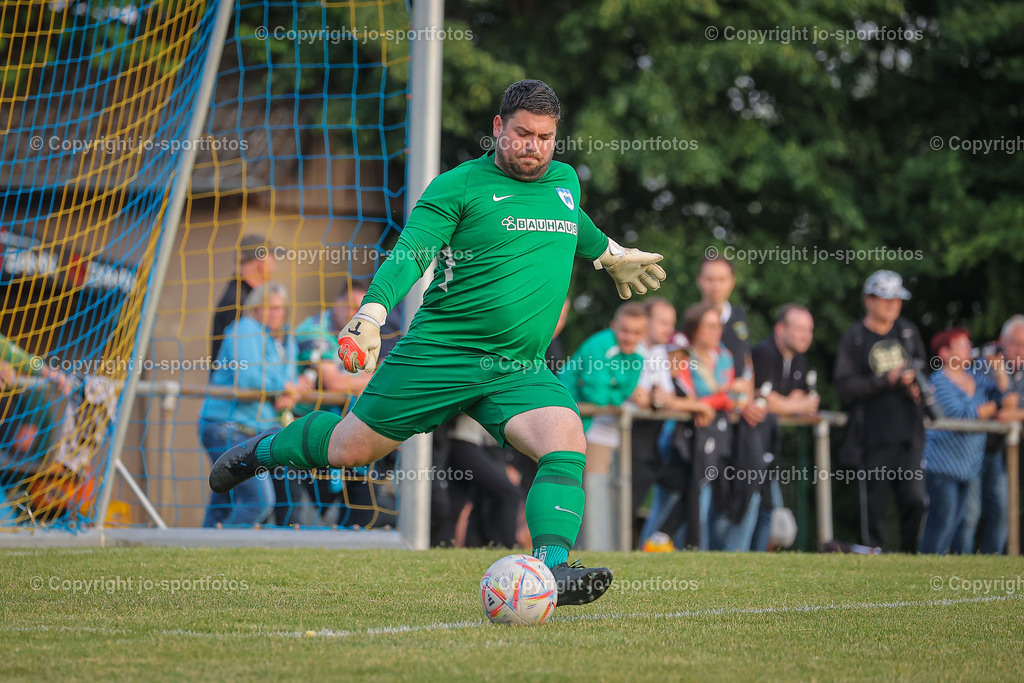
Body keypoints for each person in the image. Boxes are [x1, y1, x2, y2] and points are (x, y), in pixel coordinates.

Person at [209, 79, 667, 606]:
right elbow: (410, 254)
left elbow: (569, 220)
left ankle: (552, 572)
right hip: (440, 355)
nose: (533, 147)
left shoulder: (564, 183)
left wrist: (608, 253)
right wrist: (371, 314)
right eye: (522, 134)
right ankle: (258, 451)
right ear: (498, 129)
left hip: (517, 367)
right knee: (349, 449)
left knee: (566, 441)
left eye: (544, 137)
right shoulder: (458, 186)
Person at [200, 282, 309, 527]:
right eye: (269, 308)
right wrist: (285, 386)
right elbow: (248, 378)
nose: (275, 314)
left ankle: (201, 549)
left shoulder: (286, 339)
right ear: (256, 309)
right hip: (226, 428)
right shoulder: (245, 328)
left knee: (224, 502)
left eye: (280, 309)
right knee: (258, 501)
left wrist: (288, 392)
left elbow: (288, 382)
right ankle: (221, 549)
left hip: (253, 432)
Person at [834, 270, 927, 553]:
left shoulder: (908, 332)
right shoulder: (855, 338)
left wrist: (916, 389)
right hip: (871, 439)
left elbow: (922, 369)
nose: (893, 305)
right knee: (873, 508)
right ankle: (874, 556)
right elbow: (844, 386)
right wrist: (885, 381)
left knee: (915, 500)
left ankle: (910, 557)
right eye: (886, 299)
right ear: (869, 300)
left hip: (908, 436)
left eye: (897, 300)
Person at [559, 302, 648, 551]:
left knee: (604, 492)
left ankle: (599, 548)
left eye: (636, 332)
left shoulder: (638, 355)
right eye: (624, 330)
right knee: (581, 491)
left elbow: (624, 390)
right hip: (570, 421)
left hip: (597, 429)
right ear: (613, 327)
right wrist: (616, 396)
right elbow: (596, 395)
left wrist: (615, 395)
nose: (629, 337)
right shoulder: (599, 345)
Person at [919, 329, 1000, 554]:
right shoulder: (939, 381)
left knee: (962, 523)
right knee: (942, 522)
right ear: (944, 353)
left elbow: (1003, 395)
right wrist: (993, 408)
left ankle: (950, 573)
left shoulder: (975, 377)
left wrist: (997, 366)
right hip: (942, 466)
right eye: (961, 345)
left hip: (970, 465)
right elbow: (962, 416)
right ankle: (927, 569)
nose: (968, 348)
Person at [749, 304, 819, 551]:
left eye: (809, 330)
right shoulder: (764, 352)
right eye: (799, 329)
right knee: (757, 507)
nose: (805, 336)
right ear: (780, 329)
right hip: (750, 444)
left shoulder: (798, 356)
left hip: (770, 444)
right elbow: (764, 399)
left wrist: (787, 403)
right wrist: (795, 404)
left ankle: (757, 560)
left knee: (770, 511)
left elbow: (796, 396)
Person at [954, 315, 1024, 554]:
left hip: (999, 451)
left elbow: (1008, 410)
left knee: (1002, 510)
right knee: (970, 513)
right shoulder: (982, 363)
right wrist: (1006, 402)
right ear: (1002, 340)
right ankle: (960, 563)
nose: (1020, 350)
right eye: (1015, 343)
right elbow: (987, 409)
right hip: (971, 448)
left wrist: (1009, 408)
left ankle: (992, 561)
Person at [629, 297, 678, 545]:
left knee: (686, 481)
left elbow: (666, 394)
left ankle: (654, 542)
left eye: (672, 324)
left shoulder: (659, 351)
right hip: (625, 439)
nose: (669, 330)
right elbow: (635, 395)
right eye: (663, 323)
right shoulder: (631, 346)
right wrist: (654, 397)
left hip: (651, 443)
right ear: (646, 321)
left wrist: (657, 397)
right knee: (625, 505)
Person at [209, 234, 277, 364]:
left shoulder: (246, 294)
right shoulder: (237, 301)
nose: (274, 267)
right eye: (272, 259)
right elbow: (243, 360)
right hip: (235, 382)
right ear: (261, 263)